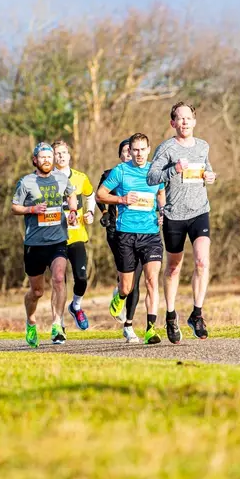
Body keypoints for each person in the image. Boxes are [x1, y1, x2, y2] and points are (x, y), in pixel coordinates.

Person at [146, 102, 216, 344]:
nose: (185, 122)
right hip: (175, 215)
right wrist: (173, 169)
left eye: (189, 118)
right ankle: (171, 315)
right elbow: (151, 177)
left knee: (202, 261)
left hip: (200, 211)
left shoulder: (203, 146)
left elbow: (206, 170)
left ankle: (197, 314)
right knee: (174, 268)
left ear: (194, 122)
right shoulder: (166, 149)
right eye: (180, 118)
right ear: (172, 123)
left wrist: (210, 175)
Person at [97, 133, 165, 345]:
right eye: (135, 150)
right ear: (130, 151)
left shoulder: (156, 171)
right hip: (125, 234)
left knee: (152, 280)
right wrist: (121, 199)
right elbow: (100, 194)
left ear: (148, 149)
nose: (138, 154)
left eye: (142, 149)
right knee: (127, 287)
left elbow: (161, 192)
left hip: (151, 234)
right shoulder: (120, 171)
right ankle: (119, 296)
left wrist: (161, 210)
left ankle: (151, 329)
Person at [11, 142, 78, 347]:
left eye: (49, 157)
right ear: (35, 160)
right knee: (37, 292)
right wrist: (32, 210)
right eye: (43, 157)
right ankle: (31, 321)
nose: (47, 160)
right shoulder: (26, 182)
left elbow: (71, 194)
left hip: (58, 239)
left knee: (59, 279)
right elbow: (15, 207)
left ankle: (57, 324)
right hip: (34, 243)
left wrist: (73, 211)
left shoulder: (61, 177)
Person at [97, 138, 143, 342]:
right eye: (125, 151)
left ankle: (129, 325)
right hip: (116, 229)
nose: (129, 154)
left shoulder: (143, 174)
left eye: (130, 151)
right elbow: (100, 197)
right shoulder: (111, 174)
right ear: (120, 155)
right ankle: (121, 288)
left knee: (137, 279)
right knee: (127, 274)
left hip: (142, 230)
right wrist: (106, 212)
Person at [52, 139, 94, 331]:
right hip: (55, 238)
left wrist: (90, 212)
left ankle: (76, 306)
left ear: (69, 155)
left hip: (77, 235)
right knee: (59, 281)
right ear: (52, 157)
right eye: (57, 153)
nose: (60, 156)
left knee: (82, 277)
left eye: (63, 152)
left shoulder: (80, 177)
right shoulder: (48, 179)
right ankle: (58, 324)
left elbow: (90, 194)